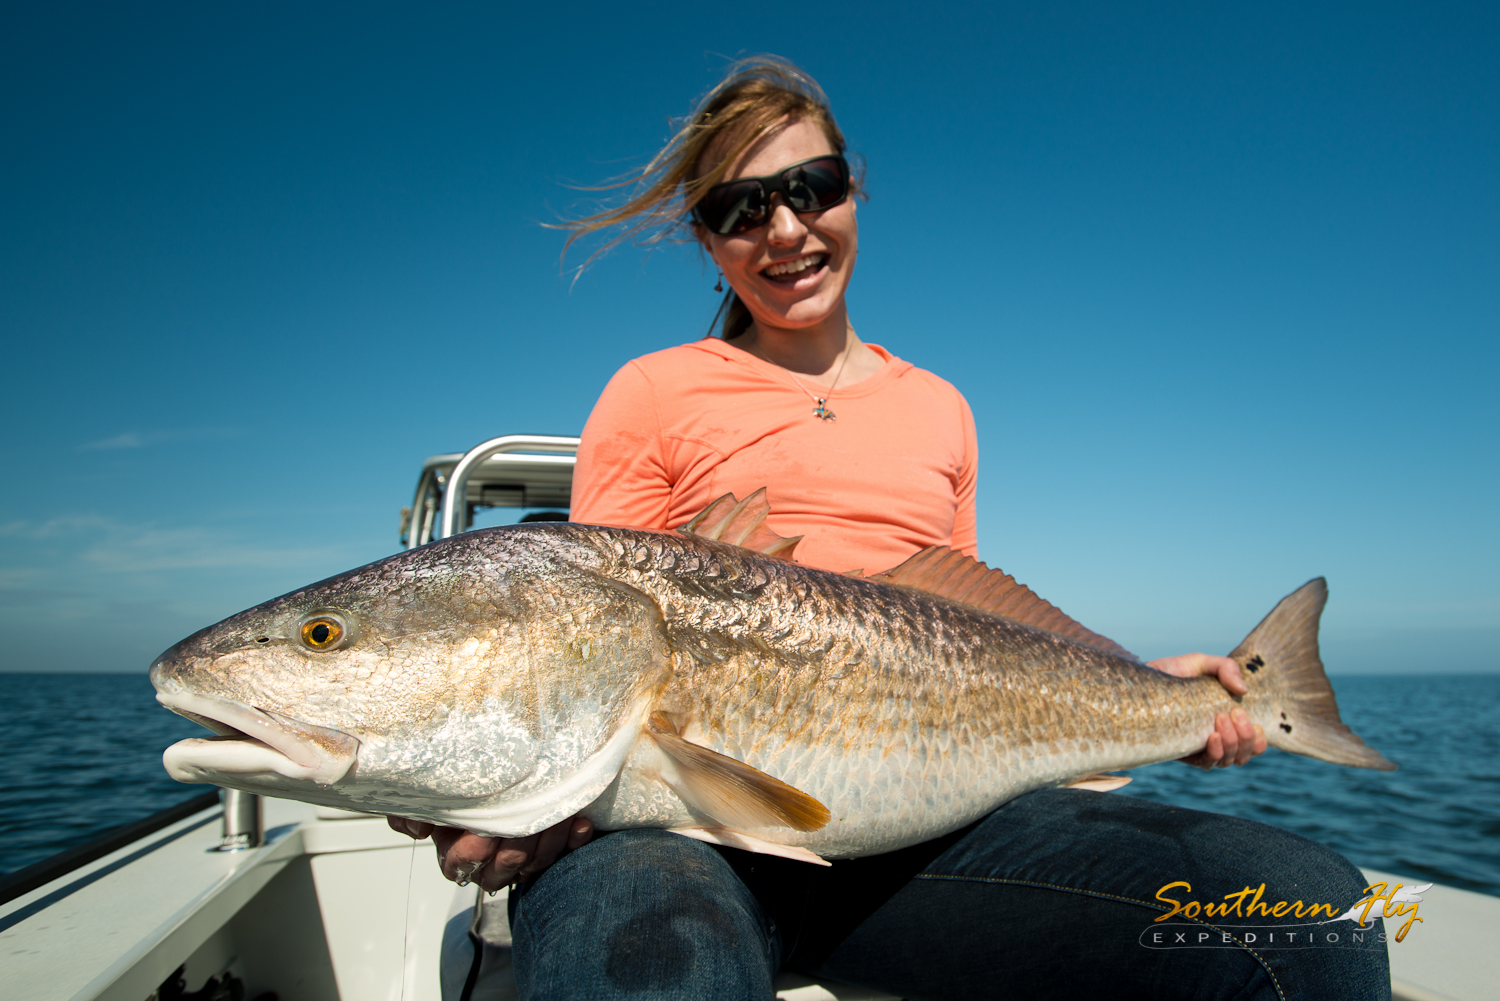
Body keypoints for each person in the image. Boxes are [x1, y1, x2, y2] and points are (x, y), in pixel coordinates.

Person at [391, 57, 1389, 1000]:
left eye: (810, 186)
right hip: (680, 837)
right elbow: (594, 626)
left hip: (934, 843)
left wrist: (1148, 689)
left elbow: (966, 615)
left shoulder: (941, 407)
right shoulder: (651, 390)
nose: (784, 229)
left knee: (1315, 913)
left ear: (853, 190)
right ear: (707, 239)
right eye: (741, 209)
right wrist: (509, 786)